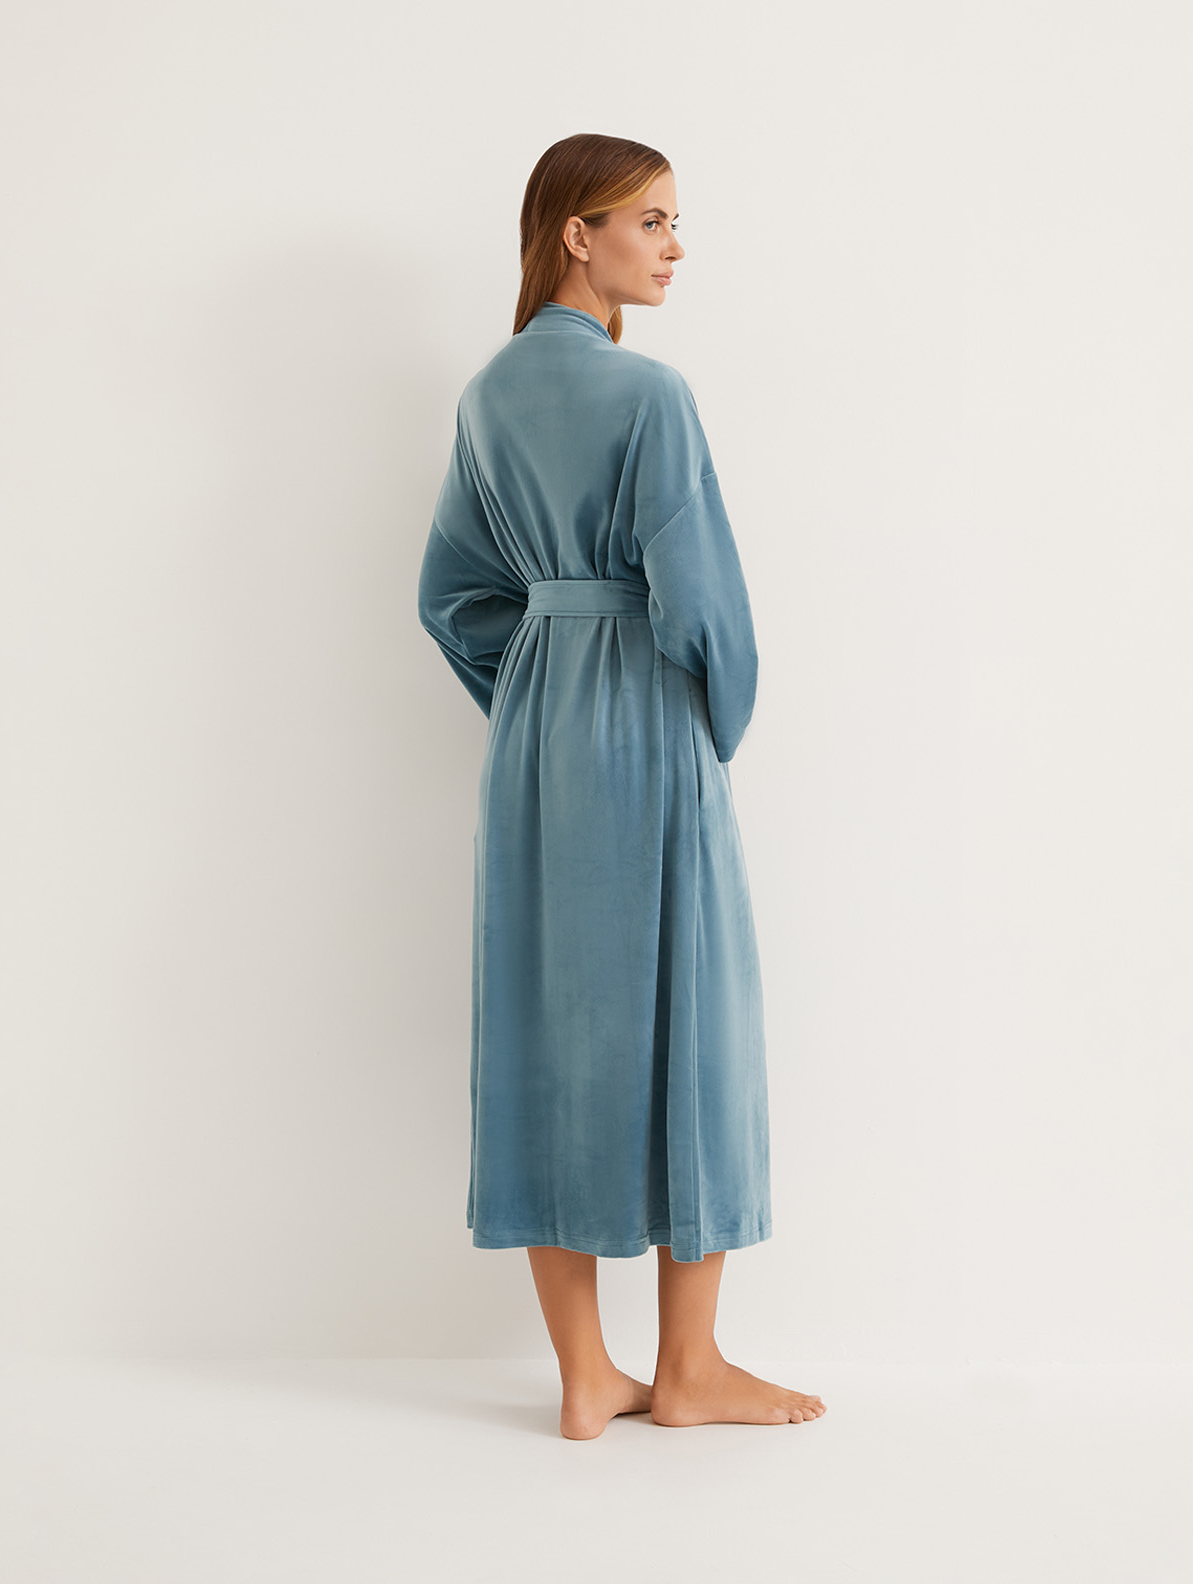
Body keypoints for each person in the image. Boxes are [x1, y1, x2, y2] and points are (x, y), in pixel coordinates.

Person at [418, 134, 824, 1438]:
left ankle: (587, 1375)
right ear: (576, 234)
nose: (674, 245)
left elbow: (449, 597)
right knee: (692, 1018)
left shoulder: (485, 397)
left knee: (551, 1025)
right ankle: (689, 1367)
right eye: (651, 220)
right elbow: (706, 607)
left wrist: (535, 692)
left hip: (538, 741)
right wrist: (709, 723)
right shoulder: (650, 396)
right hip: (645, 725)